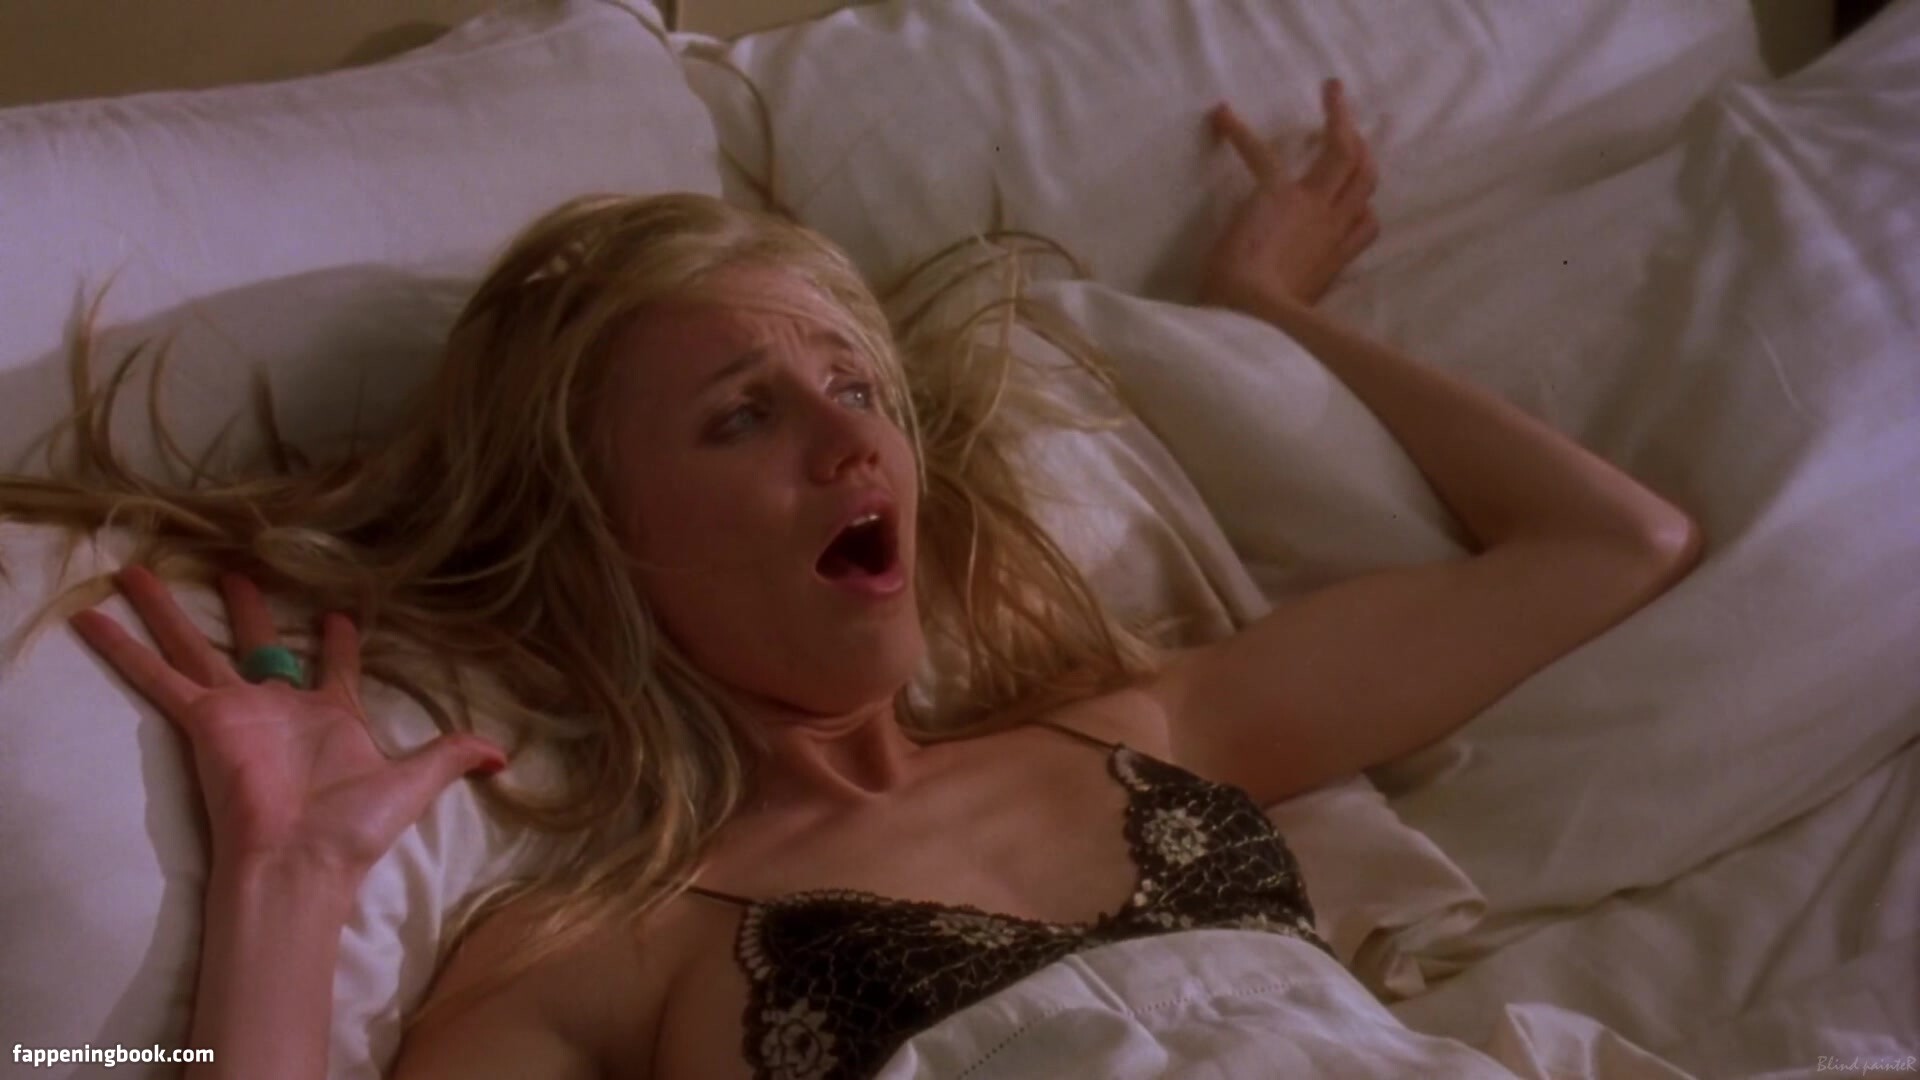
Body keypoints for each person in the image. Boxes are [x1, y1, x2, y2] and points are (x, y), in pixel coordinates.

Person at [22, 79, 1700, 1079]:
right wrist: (294, 877)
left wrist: (1270, 313)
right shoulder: (586, 957)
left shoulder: (1149, 729)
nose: (854, 443)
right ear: (603, 535)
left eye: (857, 385)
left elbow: (1613, 546)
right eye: (745, 415)